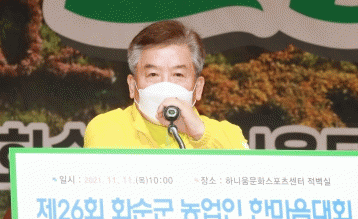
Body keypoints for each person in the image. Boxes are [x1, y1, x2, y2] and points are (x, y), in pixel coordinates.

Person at [83, 20, 248, 149]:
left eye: (178, 75)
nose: (165, 85)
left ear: (198, 88)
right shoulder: (108, 128)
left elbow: (244, 173)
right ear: (132, 86)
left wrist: (200, 135)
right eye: (153, 74)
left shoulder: (229, 135)